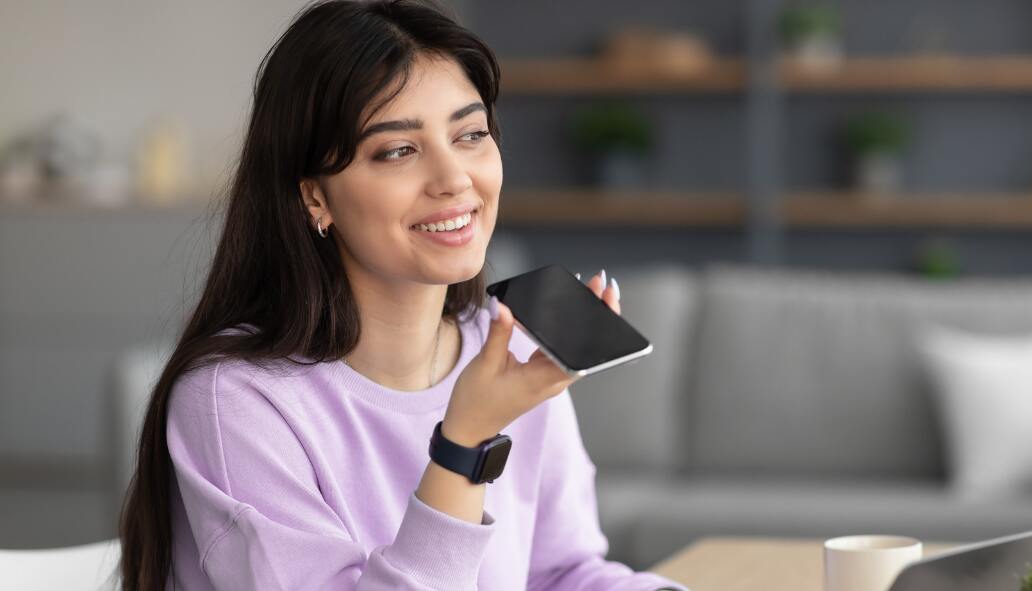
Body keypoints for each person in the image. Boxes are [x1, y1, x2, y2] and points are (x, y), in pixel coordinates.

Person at [116, 1, 687, 589]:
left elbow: (564, 574)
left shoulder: (511, 343)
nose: (454, 179)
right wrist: (464, 444)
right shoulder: (237, 400)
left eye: (470, 134)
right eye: (397, 150)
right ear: (315, 198)